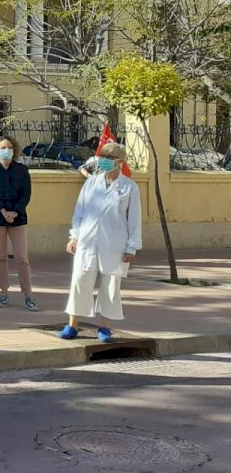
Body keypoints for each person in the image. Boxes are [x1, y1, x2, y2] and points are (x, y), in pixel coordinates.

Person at [60, 143, 142, 341]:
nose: (104, 160)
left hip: (115, 244)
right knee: (80, 280)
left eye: (109, 157)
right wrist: (74, 236)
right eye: (102, 156)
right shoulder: (91, 183)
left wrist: (132, 247)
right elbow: (79, 212)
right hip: (87, 241)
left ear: (120, 162)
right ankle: (72, 325)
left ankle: (105, 327)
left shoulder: (129, 187)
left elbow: (135, 219)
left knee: (110, 286)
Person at [0, 135, 37, 310]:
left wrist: (15, 211)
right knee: (0, 256)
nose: (7, 151)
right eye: (3, 148)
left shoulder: (22, 170)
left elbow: (26, 194)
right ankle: (4, 293)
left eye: (10, 147)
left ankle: (28, 295)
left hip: (18, 217)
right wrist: (3, 211)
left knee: (22, 258)